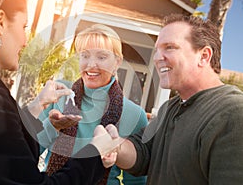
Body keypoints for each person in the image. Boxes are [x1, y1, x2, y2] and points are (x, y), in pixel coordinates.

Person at [0, 0, 119, 184]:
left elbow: (4, 159)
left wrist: (36, 109)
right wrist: (94, 152)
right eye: (24, 26)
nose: (25, 41)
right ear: (0, 22)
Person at [99, 14, 243, 185]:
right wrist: (114, 146)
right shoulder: (169, 108)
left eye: (170, 47)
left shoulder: (234, 113)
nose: (157, 58)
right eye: (157, 49)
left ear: (204, 56)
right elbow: (143, 152)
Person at [36, 24, 149, 185]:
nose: (91, 65)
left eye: (101, 57)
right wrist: (51, 125)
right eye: (85, 55)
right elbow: (31, 149)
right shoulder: (59, 95)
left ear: (117, 62)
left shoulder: (134, 114)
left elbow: (136, 180)